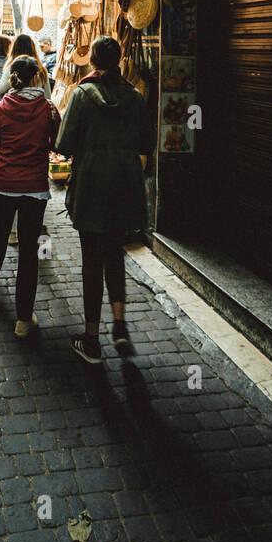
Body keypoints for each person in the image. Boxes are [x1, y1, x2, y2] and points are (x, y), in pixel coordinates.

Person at [55, 35, 154, 363]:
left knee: (91, 260)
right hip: (125, 186)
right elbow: (147, 143)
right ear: (120, 59)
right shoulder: (135, 96)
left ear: (93, 61)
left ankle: (92, 339)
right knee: (115, 254)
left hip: (91, 186)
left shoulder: (81, 94)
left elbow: (64, 144)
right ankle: (120, 325)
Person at [0, 55, 61, 337]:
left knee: (0, 233)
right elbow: (55, 143)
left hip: (3, 183)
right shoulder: (49, 110)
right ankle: (23, 320)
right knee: (29, 251)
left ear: (13, 76)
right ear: (38, 77)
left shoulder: (1, 108)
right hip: (35, 186)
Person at [0, 33, 51, 245]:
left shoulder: (10, 68)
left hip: (12, 124)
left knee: (10, 181)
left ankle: (10, 234)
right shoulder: (41, 70)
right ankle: (28, 231)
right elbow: (48, 99)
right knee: (30, 180)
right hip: (34, 129)